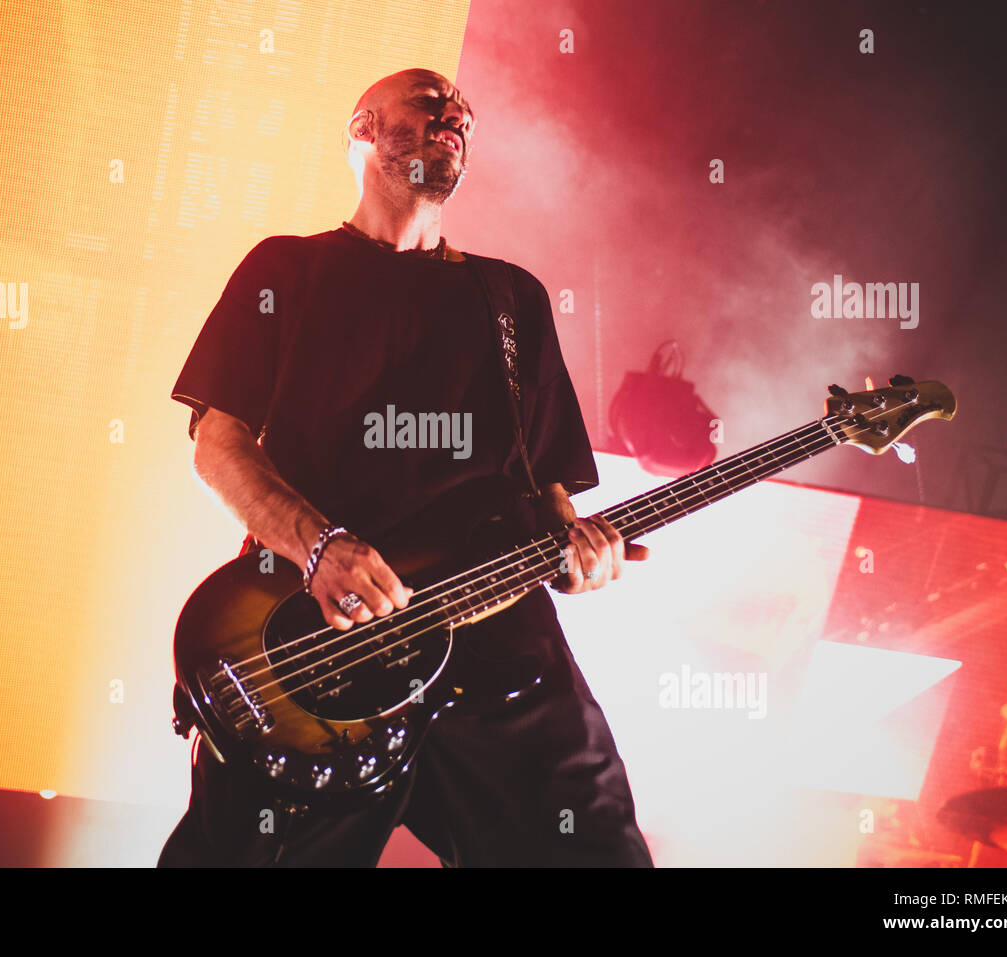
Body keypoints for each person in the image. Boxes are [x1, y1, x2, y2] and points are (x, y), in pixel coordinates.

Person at [158, 68, 654, 866]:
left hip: (502, 647)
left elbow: (545, 485)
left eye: (463, 113)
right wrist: (320, 546)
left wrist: (579, 547)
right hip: (317, 641)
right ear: (362, 128)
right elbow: (218, 446)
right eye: (428, 102)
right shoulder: (286, 270)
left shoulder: (511, 298)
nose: (453, 114)